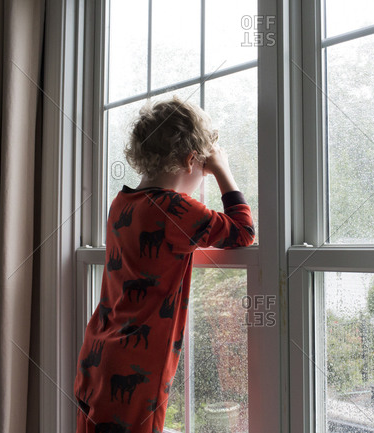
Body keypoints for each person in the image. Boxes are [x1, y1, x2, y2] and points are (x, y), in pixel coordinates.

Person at [73, 96, 255, 433]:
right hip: (136, 368)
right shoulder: (175, 208)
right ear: (191, 161)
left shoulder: (122, 202)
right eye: (204, 167)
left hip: (97, 352)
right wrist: (223, 169)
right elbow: (244, 231)